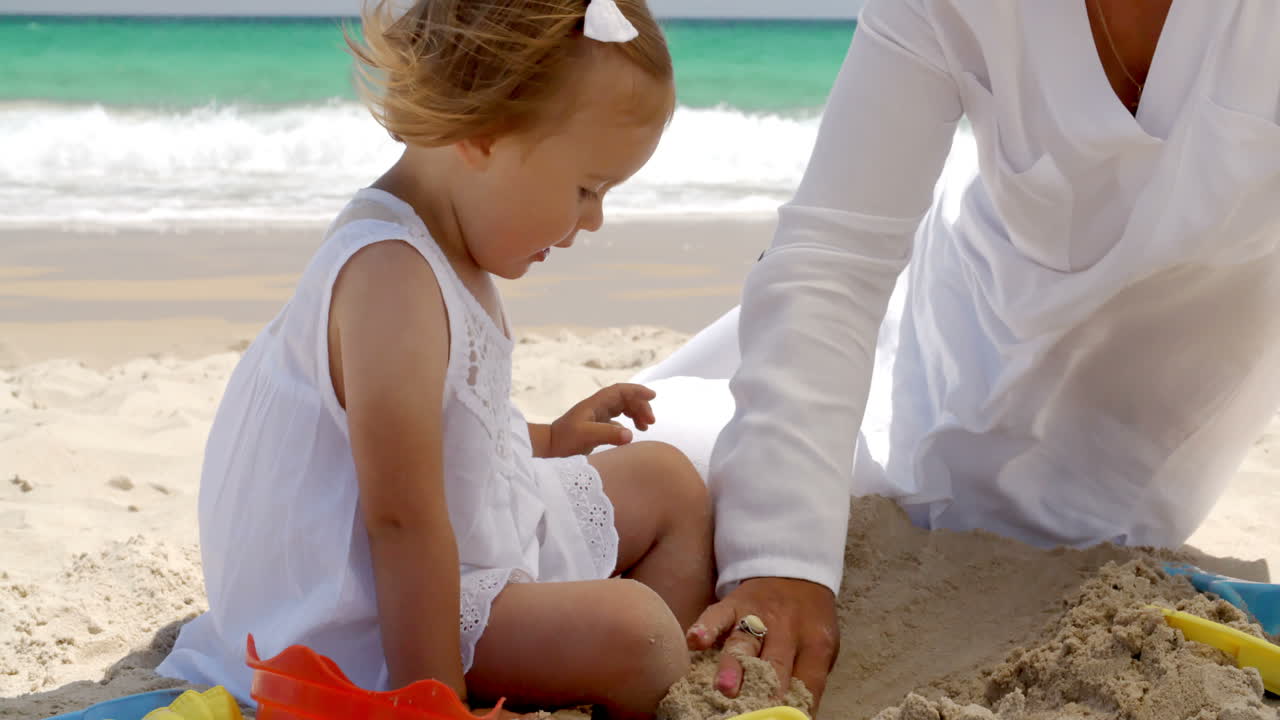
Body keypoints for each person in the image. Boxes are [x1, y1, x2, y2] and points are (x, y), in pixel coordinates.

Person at [624, 0, 1280, 712]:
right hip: (913, 353)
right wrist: (781, 561)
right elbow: (836, 254)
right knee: (619, 470)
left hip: (1120, 477)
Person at [157, 2, 716, 717]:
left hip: (458, 548)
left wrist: (548, 439)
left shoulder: (447, 236)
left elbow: (450, 439)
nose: (594, 220)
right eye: (585, 189)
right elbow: (401, 523)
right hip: (377, 615)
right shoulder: (392, 278)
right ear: (483, 133)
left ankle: (673, 681)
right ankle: (624, 681)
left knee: (669, 482)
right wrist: (434, 703)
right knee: (638, 635)